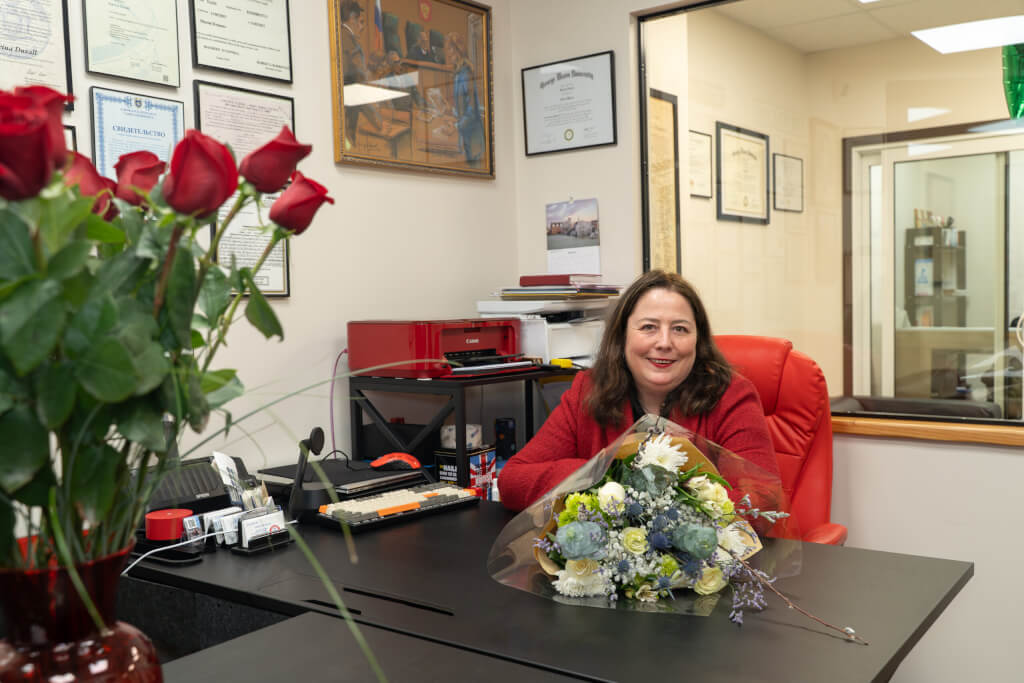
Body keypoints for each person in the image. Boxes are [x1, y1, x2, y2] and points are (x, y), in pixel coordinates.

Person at [499, 270, 778, 512]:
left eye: (680, 329)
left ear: (698, 341)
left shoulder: (731, 395)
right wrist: (606, 476)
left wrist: (657, 500)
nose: (664, 342)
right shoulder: (589, 390)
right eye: (648, 327)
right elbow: (512, 481)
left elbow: (764, 500)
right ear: (622, 337)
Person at [339, 0, 380, 147]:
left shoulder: (339, 36)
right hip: (348, 111)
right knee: (349, 145)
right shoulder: (351, 44)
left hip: (342, 109)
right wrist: (377, 121)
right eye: (360, 21)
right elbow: (360, 85)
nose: (362, 28)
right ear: (352, 18)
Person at [445, 32, 485, 165]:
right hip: (466, 139)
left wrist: (456, 126)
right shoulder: (458, 75)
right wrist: (451, 111)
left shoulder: (466, 74)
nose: (447, 53)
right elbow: (462, 109)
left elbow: (472, 112)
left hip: (474, 141)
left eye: (449, 49)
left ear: (458, 50)